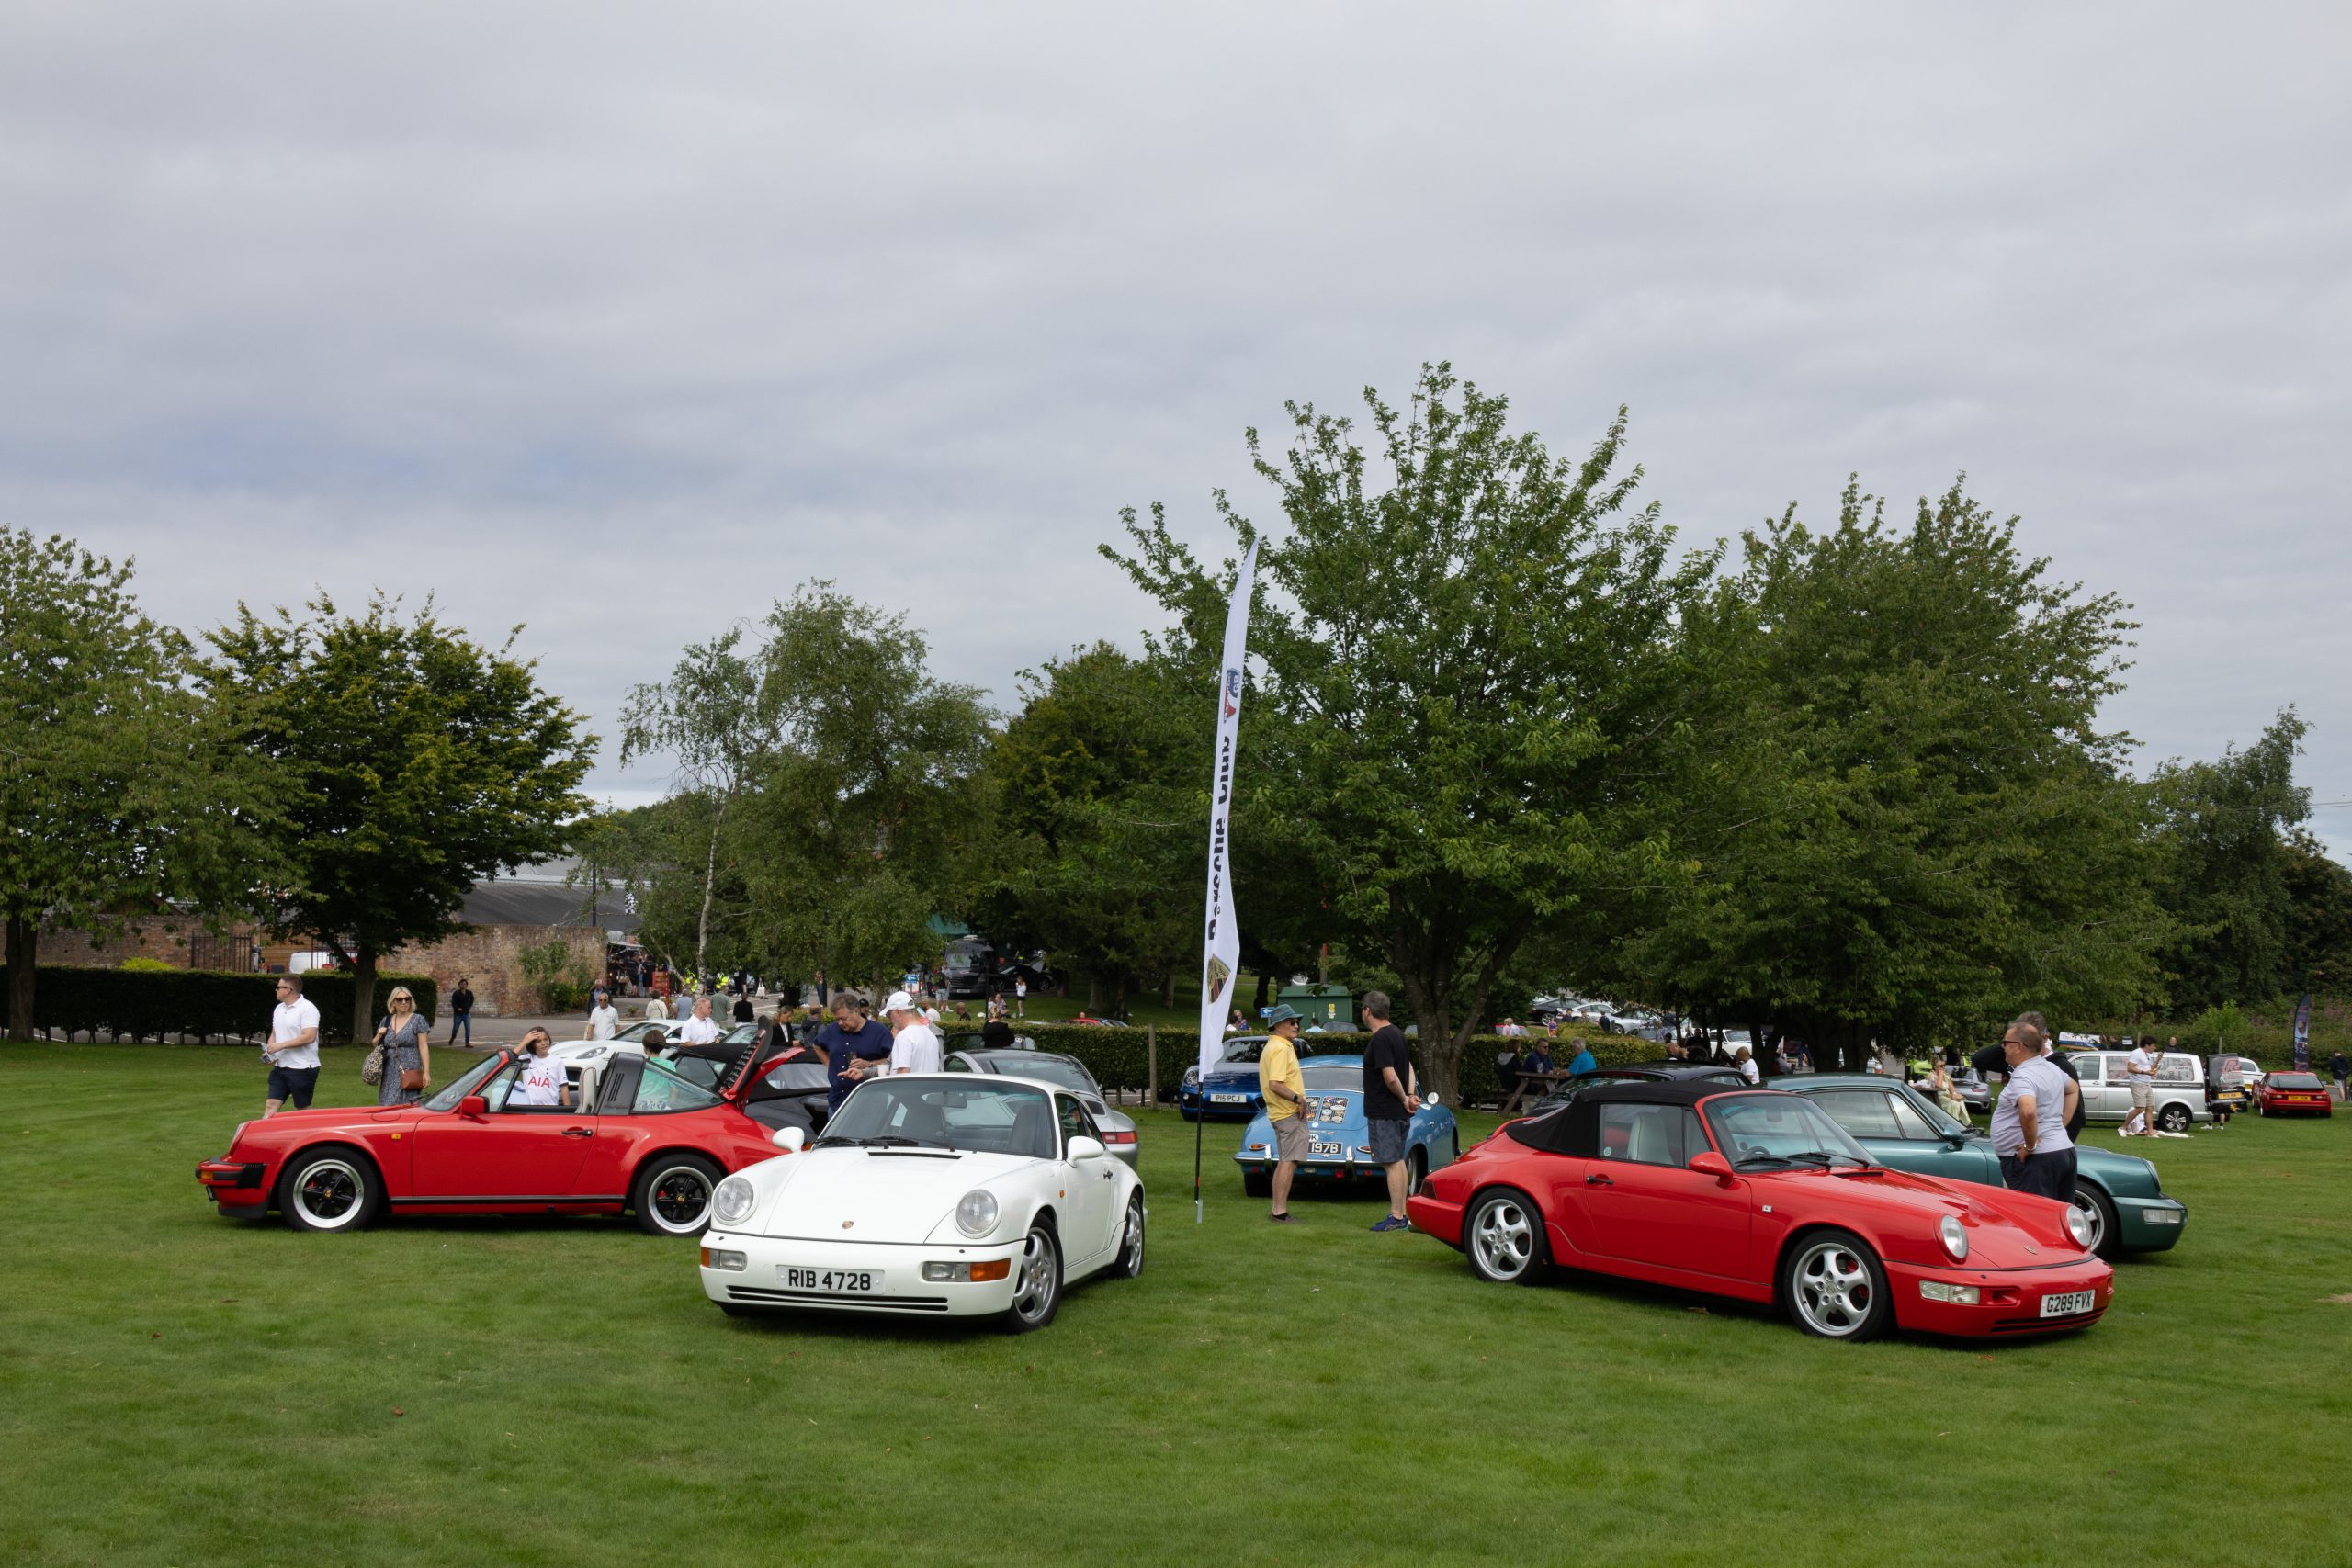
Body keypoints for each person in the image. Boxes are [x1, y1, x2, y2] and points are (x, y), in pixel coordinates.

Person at [1990, 1018, 2074, 1201]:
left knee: (2033, 1215)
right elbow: (2073, 1089)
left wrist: (2030, 1146)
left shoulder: (2024, 1075)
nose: (2003, 1047)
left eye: (2005, 1043)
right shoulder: (2051, 1068)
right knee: (2058, 1214)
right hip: (2062, 1151)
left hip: (2036, 1161)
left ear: (2018, 1047)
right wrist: (2060, 1126)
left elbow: (2028, 1111)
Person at [1360, 990, 1418, 1233]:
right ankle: (1401, 1214)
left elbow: (1390, 1075)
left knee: (1390, 1162)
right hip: (1397, 1111)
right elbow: (1409, 1067)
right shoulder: (1397, 1034)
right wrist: (1411, 1094)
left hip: (1385, 1110)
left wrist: (1404, 1098)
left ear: (1367, 1011)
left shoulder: (1380, 1038)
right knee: (1397, 1160)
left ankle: (1396, 1217)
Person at [1257, 1004, 1310, 1222]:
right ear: (1278, 1025)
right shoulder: (1280, 1048)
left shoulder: (1275, 1046)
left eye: (1297, 1022)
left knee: (1285, 1161)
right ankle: (1279, 1212)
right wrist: (1298, 1099)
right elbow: (1275, 1084)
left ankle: (1277, 1210)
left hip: (1280, 1113)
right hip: (1287, 1113)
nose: (1296, 1026)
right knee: (1289, 1161)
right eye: (1291, 1022)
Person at [815, 992, 893, 1112]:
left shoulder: (879, 1032)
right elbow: (817, 1045)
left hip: (871, 1103)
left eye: (843, 1018)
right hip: (838, 1103)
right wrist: (829, 1066)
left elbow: (892, 1063)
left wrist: (869, 1064)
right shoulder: (833, 1030)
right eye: (837, 1019)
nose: (840, 1023)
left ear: (856, 1011)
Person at [263, 974, 322, 1115]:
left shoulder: (308, 1008)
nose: (276, 990)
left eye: (278, 987)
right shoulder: (279, 1008)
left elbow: (309, 1037)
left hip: (302, 1067)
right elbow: (274, 1033)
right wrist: (270, 1051)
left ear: (288, 990)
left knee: (303, 1109)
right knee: (271, 1105)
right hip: (280, 1067)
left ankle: (311, 1130)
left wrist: (280, 1046)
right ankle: (265, 1130)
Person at [373, 986, 433, 1107]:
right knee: (386, 1102)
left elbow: (423, 1047)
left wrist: (426, 1072)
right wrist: (379, 1035)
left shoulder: (417, 1020)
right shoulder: (386, 1020)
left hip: (409, 1068)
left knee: (405, 1103)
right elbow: (375, 1044)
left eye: (407, 999)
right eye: (400, 999)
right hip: (389, 1069)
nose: (404, 1002)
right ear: (393, 1002)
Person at [875, 990, 942, 1077]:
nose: (889, 1019)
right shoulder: (930, 1034)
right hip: (929, 1086)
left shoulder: (904, 1036)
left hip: (910, 1086)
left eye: (888, 1015)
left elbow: (903, 1074)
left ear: (898, 1012)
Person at [512, 1027, 569, 1107]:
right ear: (532, 1044)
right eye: (539, 1041)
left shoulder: (557, 1062)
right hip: (529, 1109)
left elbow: (564, 1088)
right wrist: (524, 1042)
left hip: (550, 1109)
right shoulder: (525, 1059)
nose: (543, 1043)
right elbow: (508, 1059)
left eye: (545, 1039)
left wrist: (567, 1110)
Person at [2120, 1037, 2156, 1137]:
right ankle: (2123, 1127)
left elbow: (2150, 1069)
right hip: (2138, 1083)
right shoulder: (2137, 1053)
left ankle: (2150, 1133)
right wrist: (2144, 1072)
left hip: (2147, 1083)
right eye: (2153, 1046)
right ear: (2147, 1045)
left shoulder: (2147, 1055)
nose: (2155, 1048)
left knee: (2150, 1108)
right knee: (2140, 1108)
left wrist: (2157, 1060)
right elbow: (2130, 1068)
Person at [448, 976, 475, 1047]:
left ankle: (467, 1043)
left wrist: (468, 1007)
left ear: (466, 985)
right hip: (458, 1015)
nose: (463, 985)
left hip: (467, 1014)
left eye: (464, 984)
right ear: (459, 985)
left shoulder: (469, 993)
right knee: (455, 1028)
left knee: (468, 1029)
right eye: (461, 984)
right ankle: (453, 1037)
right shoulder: (456, 993)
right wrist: (457, 1008)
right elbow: (453, 1002)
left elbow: (472, 1000)